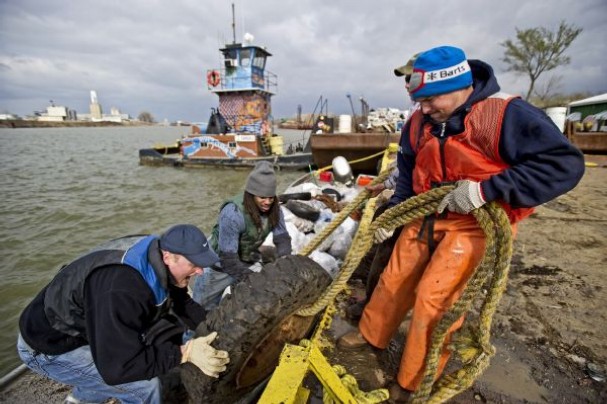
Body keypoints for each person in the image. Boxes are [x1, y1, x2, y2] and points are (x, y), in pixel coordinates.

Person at [339, 45, 585, 401]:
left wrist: (488, 190)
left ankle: (411, 383)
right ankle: (371, 333)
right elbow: (408, 168)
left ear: (459, 86)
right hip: (425, 214)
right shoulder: (420, 123)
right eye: (417, 101)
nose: (422, 109)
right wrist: (395, 211)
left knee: (435, 299)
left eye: (429, 101)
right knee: (395, 277)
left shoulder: (506, 116)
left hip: (474, 224)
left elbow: (564, 164)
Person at [17, 224, 231, 404]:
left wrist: (215, 328)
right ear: (168, 256)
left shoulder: (156, 254)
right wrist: (184, 353)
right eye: (194, 265)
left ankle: (80, 398)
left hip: (89, 321)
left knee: (166, 338)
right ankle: (85, 392)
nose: (201, 271)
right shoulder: (122, 290)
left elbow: (182, 302)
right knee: (145, 387)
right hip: (48, 346)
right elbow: (118, 368)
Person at [192, 161, 292, 308]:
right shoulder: (232, 213)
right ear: (251, 194)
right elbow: (228, 261)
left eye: (271, 197)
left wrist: (285, 263)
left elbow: (282, 239)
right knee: (200, 311)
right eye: (262, 197)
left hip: (248, 259)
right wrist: (253, 279)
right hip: (219, 268)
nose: (267, 202)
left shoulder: (274, 208)